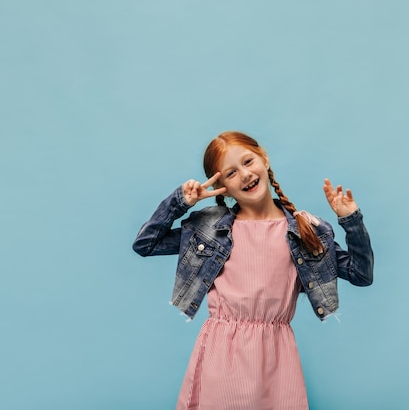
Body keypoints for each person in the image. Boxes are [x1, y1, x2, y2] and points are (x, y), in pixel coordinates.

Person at [132, 131, 374, 410]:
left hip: (278, 357)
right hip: (223, 354)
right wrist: (180, 202)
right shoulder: (211, 229)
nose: (245, 175)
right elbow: (145, 244)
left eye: (248, 162)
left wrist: (350, 220)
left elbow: (361, 274)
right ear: (222, 185)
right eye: (231, 173)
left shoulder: (305, 229)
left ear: (265, 159)